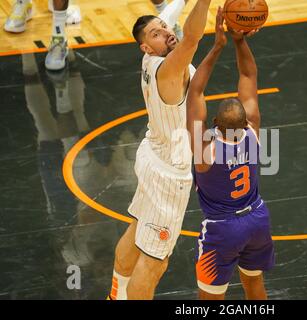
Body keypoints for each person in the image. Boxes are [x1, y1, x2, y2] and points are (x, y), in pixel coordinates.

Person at [108, 0, 212, 300]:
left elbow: (166, 20)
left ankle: (116, 295)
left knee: (137, 228)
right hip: (168, 175)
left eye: (165, 28)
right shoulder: (169, 70)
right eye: (156, 34)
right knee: (155, 262)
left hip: (152, 153)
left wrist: (170, 14)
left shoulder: (150, 58)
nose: (165, 33)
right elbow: (192, 38)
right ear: (146, 48)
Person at [186, 7, 274, 300]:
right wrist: (239, 40)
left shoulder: (205, 150)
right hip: (257, 219)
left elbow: (195, 94)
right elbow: (249, 74)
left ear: (214, 124)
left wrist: (217, 45)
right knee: (254, 283)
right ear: (246, 121)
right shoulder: (253, 132)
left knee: (210, 296)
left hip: (223, 230)